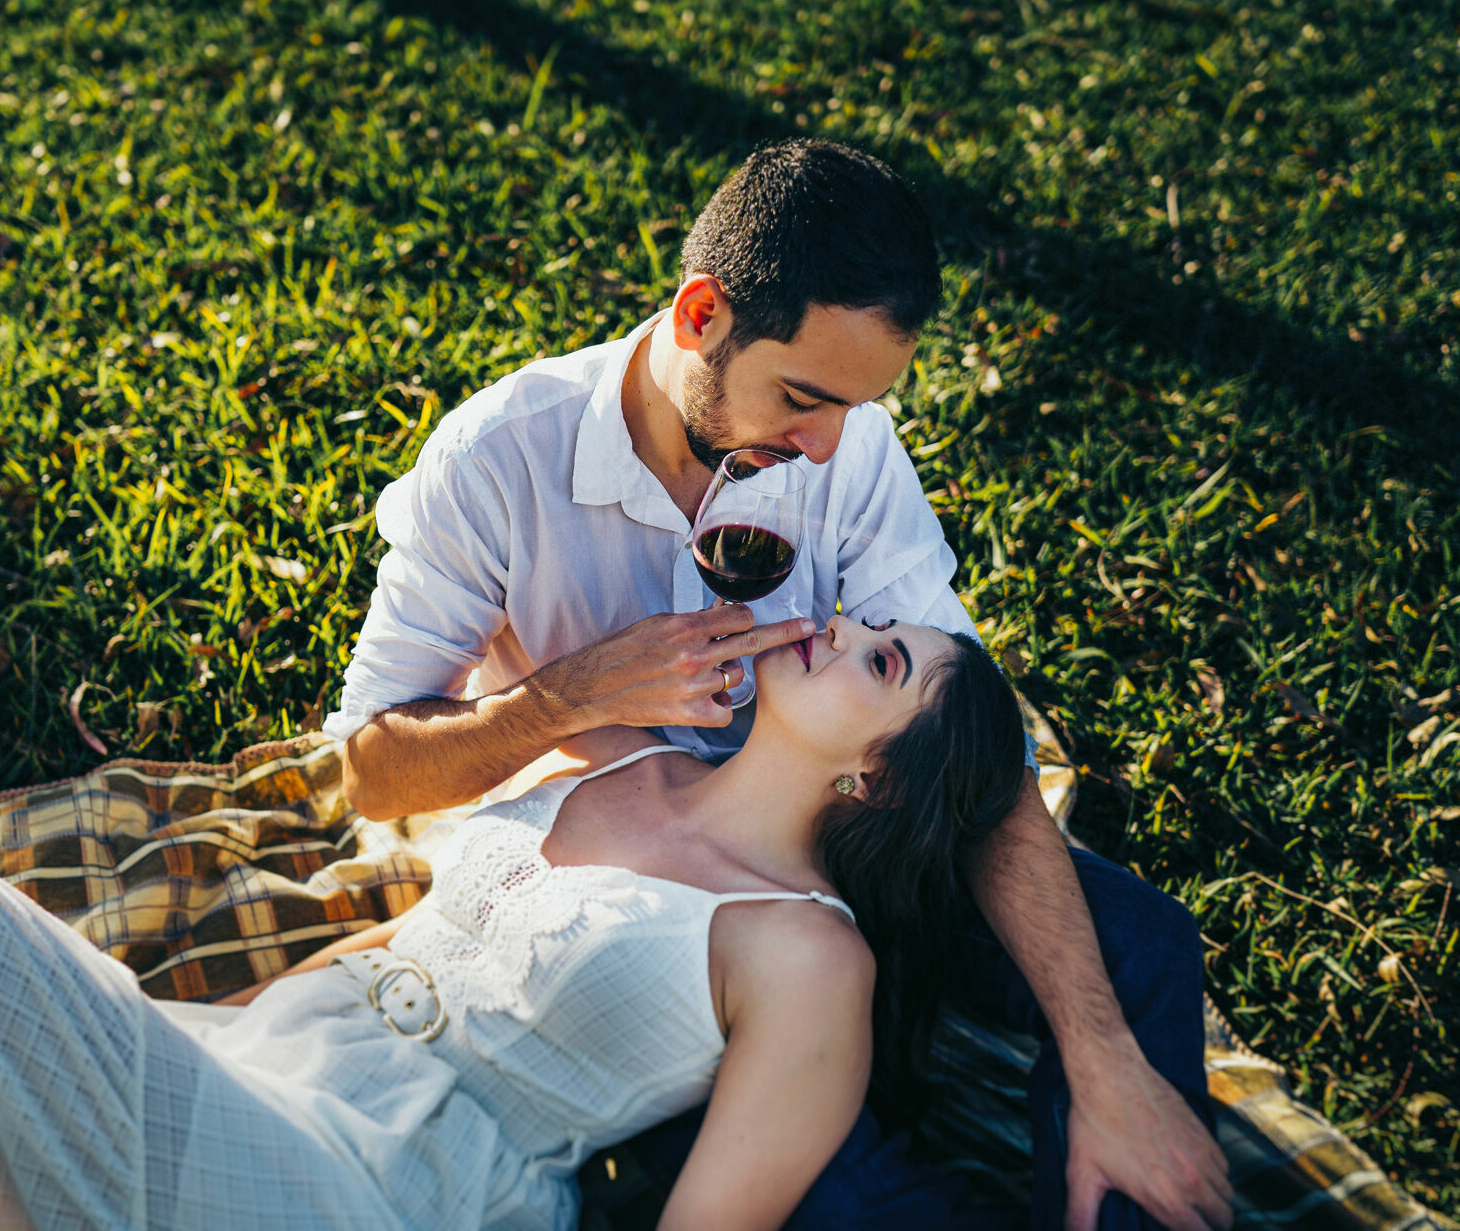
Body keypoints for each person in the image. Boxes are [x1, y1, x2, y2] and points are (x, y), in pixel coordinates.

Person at [327, 139, 1233, 1230]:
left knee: (1140, 951)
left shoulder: (843, 451)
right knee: (846, 1196)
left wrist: (1102, 1063)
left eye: (854, 406)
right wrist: (568, 696)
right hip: (660, 915)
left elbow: (964, 733)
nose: (823, 445)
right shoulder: (500, 460)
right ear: (701, 313)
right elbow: (371, 773)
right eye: (803, 396)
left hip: (849, 829)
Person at [0, 614, 1024, 1230]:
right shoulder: (624, 757)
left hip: (382, 1192)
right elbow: (381, 827)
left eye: (887, 659)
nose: (848, 624)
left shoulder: (810, 954)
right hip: (244, 1068)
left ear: (878, 775)